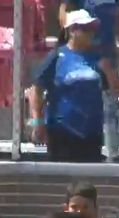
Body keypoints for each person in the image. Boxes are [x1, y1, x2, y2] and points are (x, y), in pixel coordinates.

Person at [28, 10, 110, 163]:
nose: (90, 33)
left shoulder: (97, 58)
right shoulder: (57, 57)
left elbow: (114, 89)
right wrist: (37, 122)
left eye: (92, 28)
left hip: (91, 131)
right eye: (85, 29)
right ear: (72, 30)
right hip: (62, 130)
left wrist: (109, 71)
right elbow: (36, 90)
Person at [60, 0, 119, 161]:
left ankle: (112, 153)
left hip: (107, 51)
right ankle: (78, 146)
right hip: (85, 50)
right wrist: (73, 39)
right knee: (83, 97)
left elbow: (117, 14)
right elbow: (65, 11)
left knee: (111, 102)